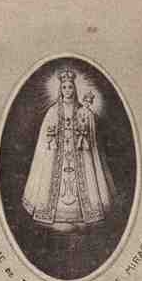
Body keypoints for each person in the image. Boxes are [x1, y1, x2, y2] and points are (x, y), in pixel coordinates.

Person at [22, 70, 115, 232]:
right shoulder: (52, 111)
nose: (67, 90)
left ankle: (83, 214)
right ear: (60, 90)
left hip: (79, 153)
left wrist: (86, 124)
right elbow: (45, 137)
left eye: (70, 87)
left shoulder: (84, 110)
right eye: (64, 87)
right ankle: (53, 213)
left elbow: (90, 135)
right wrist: (52, 137)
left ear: (75, 89)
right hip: (57, 154)